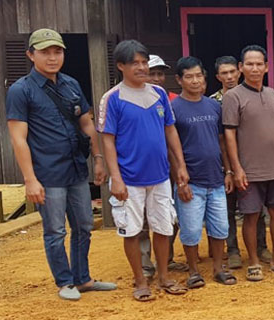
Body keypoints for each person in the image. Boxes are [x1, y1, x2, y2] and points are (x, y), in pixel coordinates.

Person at [5, 28, 117, 301]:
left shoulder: (70, 84)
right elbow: (18, 139)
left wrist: (98, 159)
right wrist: (29, 179)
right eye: (45, 52)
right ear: (31, 55)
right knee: (55, 230)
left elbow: (86, 123)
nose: (52, 58)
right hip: (47, 173)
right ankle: (65, 281)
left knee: (84, 225)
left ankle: (83, 279)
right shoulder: (21, 91)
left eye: (57, 51)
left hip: (77, 169)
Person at [97, 39, 189, 301]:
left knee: (163, 227)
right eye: (134, 63)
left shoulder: (159, 94)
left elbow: (170, 131)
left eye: (143, 62)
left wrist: (180, 166)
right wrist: (116, 178)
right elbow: (108, 140)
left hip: (160, 175)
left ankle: (163, 276)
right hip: (129, 178)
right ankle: (140, 280)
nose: (141, 67)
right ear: (121, 66)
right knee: (133, 230)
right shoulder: (113, 98)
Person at [224, 45, 274, 281]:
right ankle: (254, 262)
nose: (254, 68)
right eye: (249, 64)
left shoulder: (270, 94)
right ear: (240, 68)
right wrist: (236, 168)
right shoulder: (232, 97)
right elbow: (229, 135)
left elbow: (271, 123)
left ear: (267, 67)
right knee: (251, 216)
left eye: (259, 64)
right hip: (250, 170)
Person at [171, 56, 237, 288]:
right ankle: (193, 271)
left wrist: (228, 171)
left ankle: (219, 268)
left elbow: (222, 142)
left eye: (199, 75)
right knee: (190, 230)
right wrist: (180, 180)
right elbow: (171, 146)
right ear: (179, 80)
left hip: (216, 179)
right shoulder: (174, 108)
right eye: (189, 76)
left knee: (220, 227)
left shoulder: (213, 106)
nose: (195, 81)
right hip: (191, 181)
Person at [209, 55, 270, 269]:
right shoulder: (212, 102)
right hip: (223, 164)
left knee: (256, 208)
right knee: (228, 208)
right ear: (218, 77)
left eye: (232, 72)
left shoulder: (257, 95)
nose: (229, 77)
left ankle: (262, 247)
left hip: (252, 163)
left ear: (239, 71)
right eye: (223, 74)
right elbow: (221, 138)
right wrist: (229, 169)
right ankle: (232, 250)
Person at [138, 53, 188, 275]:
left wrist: (180, 165)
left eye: (160, 74)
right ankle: (145, 264)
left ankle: (165, 258)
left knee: (171, 214)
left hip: (170, 167)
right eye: (152, 74)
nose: (157, 78)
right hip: (142, 168)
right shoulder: (131, 99)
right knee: (141, 219)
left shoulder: (174, 100)